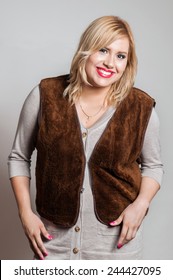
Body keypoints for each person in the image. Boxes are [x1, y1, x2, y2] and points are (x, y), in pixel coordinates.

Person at [8, 15, 163, 260]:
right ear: (86, 49)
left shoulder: (141, 108)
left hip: (115, 247)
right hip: (53, 243)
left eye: (121, 56)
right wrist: (25, 213)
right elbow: (18, 157)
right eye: (103, 50)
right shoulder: (44, 96)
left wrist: (141, 204)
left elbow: (153, 166)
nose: (111, 63)